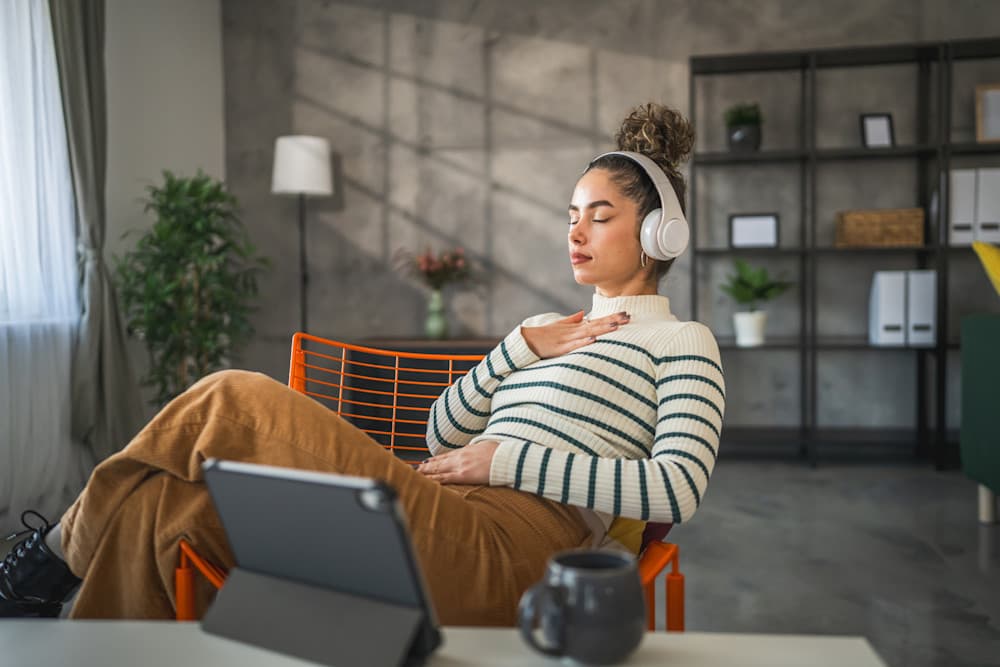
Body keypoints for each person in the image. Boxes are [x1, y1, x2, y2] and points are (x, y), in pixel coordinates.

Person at [0, 102, 724, 625]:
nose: (576, 232)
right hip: (441, 512)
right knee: (166, 509)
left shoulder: (681, 341)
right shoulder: (540, 326)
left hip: (518, 552)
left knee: (234, 398)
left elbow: (678, 489)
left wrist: (504, 462)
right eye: (570, 215)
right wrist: (517, 349)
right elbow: (443, 431)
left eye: (598, 216)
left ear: (662, 232)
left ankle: (52, 555)